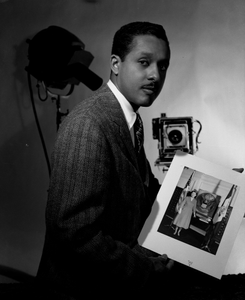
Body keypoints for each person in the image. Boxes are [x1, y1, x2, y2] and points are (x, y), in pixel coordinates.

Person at [37, 21, 174, 298]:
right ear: (115, 63)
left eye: (162, 65)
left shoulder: (129, 121)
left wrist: (210, 187)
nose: (155, 75)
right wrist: (146, 269)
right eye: (144, 62)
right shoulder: (89, 123)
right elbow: (73, 232)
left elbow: (142, 196)